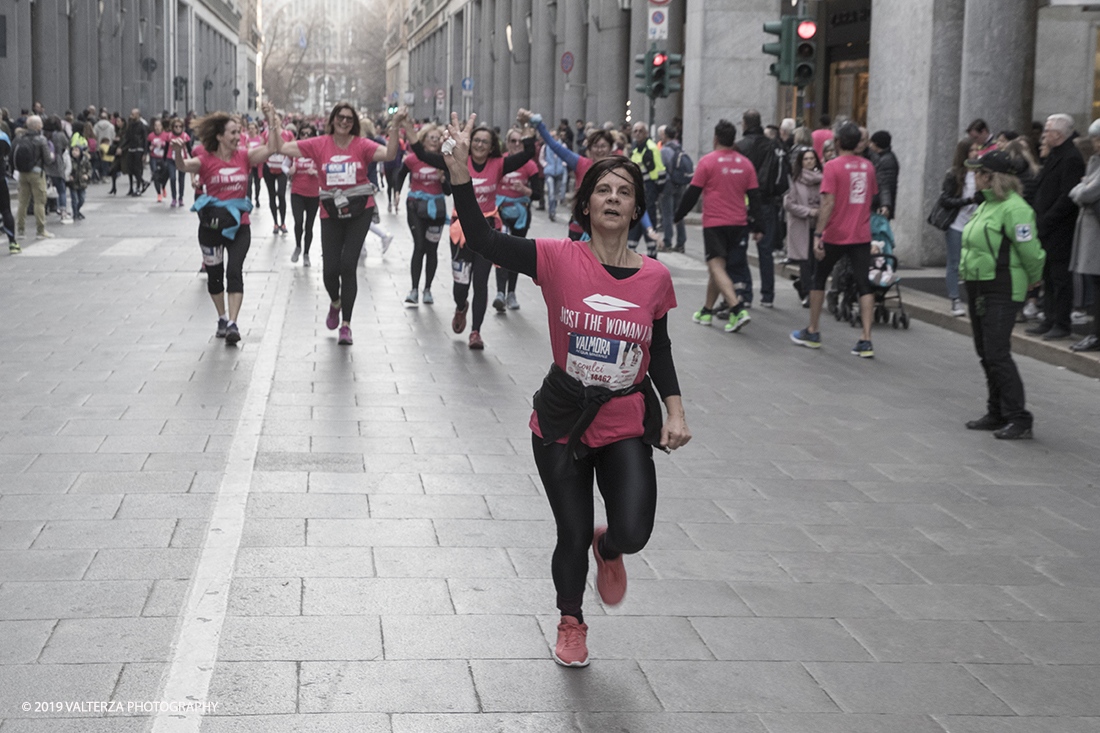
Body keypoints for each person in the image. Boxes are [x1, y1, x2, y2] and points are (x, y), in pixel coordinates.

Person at [440, 111, 690, 667]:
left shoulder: (655, 278)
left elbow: (662, 349)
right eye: (601, 189)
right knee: (570, 532)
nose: (612, 198)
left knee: (633, 529)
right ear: (585, 204)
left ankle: (611, 548)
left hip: (625, 419)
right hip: (561, 418)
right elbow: (481, 236)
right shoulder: (555, 258)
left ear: (636, 208)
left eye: (624, 191)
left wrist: (674, 411)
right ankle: (571, 620)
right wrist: (459, 174)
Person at [273, 103, 409, 346]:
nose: (345, 122)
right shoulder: (319, 144)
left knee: (348, 266)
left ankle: (346, 325)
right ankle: (335, 302)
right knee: (329, 271)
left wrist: (396, 126)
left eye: (349, 118)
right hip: (331, 212)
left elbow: (389, 154)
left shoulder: (362, 144)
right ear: (332, 120)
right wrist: (272, 121)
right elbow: (281, 147)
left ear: (354, 122)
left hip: (360, 210)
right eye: (340, 117)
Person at [407, 110, 536, 349]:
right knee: (461, 287)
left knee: (480, 283)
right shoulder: (457, 161)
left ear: (491, 148)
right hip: (460, 231)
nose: (479, 144)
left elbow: (528, 154)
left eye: (485, 142)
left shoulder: (499, 164)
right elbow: (423, 154)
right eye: (476, 140)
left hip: (488, 231)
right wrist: (407, 126)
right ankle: (460, 306)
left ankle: (476, 332)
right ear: (469, 142)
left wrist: (527, 127)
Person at [170, 102, 281, 345]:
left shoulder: (245, 157)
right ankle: (221, 317)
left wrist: (271, 118)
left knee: (234, 272)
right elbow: (182, 166)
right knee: (215, 276)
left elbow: (273, 148)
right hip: (211, 227)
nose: (238, 137)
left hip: (239, 225)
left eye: (239, 132)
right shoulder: (205, 159)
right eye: (233, 133)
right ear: (220, 136)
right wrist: (178, 150)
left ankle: (233, 322)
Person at [959, 150, 1046, 439]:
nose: (973, 176)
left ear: (990, 176)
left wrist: (1035, 279)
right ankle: (996, 412)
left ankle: (1019, 418)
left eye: (978, 172)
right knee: (985, 352)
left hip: (1003, 286)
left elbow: (1030, 250)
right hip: (979, 285)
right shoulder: (986, 204)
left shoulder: (1015, 208)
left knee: (997, 353)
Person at [791, 122, 880, 358]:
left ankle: (813, 331)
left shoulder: (832, 166)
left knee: (819, 278)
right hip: (860, 234)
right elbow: (870, 198)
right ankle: (866, 338)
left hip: (836, 233)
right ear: (858, 143)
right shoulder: (868, 167)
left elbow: (828, 203)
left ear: (838, 142)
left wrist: (819, 234)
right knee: (864, 284)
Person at [674, 119, 763, 333]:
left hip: (715, 223)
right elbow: (755, 197)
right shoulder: (745, 164)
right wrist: (759, 227)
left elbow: (692, 193)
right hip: (739, 224)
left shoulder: (707, 162)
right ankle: (706, 310)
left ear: (715, 138)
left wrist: (678, 215)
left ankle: (737, 309)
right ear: (734, 140)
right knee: (720, 268)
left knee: (715, 266)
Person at [1025, 114, 1086, 341]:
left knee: (1060, 279)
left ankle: (1061, 322)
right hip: (1046, 227)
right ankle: (1048, 318)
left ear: (1058, 134)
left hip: (1059, 230)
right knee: (1048, 276)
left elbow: (1066, 198)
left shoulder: (1071, 158)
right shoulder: (1055, 155)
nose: (1044, 135)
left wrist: (1046, 220)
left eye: (1047, 131)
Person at [737, 109, 786, 307]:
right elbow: (781, 175)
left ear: (745, 124)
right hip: (766, 202)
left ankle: (744, 293)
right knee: (765, 251)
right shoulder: (772, 146)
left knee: (738, 251)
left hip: (743, 203)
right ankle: (767, 295)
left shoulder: (740, 146)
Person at [397, 124, 446, 304]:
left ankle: (428, 290)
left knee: (431, 249)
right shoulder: (413, 159)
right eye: (431, 137)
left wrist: (443, 178)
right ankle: (414, 290)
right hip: (415, 206)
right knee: (419, 245)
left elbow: (449, 191)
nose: (434, 141)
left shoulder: (444, 160)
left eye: (437, 138)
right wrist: (396, 193)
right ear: (423, 140)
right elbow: (401, 175)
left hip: (437, 209)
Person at [494, 127, 539, 311]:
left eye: (520, 141)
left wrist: (525, 190)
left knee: (517, 253)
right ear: (507, 142)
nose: (517, 145)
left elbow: (537, 194)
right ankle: (500, 293)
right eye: (513, 141)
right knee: (501, 252)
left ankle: (511, 293)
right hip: (501, 213)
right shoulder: (500, 162)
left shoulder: (530, 165)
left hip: (521, 214)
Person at [937, 140, 982, 317]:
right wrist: (968, 201)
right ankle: (955, 299)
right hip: (957, 224)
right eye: (972, 150)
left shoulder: (982, 172)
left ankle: (975, 299)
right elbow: (945, 200)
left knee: (975, 262)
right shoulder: (954, 174)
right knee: (954, 262)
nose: (975, 153)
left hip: (976, 225)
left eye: (977, 149)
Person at [1068, 119, 1100, 352]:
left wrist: (1081, 189)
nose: (1095, 144)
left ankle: (1096, 334)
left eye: (1097, 139)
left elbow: (1087, 192)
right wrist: (1082, 189)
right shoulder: (1095, 161)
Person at [784, 146, 823, 306]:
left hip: (819, 225)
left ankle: (805, 286)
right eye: (806, 159)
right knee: (806, 261)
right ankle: (808, 293)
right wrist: (808, 211)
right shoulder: (796, 180)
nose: (809, 161)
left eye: (812, 158)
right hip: (802, 225)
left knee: (817, 261)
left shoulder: (824, 178)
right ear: (801, 161)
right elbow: (789, 204)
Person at [14, 116, 55, 241]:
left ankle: (20, 231)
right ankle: (40, 231)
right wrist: (52, 156)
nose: (42, 126)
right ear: (37, 126)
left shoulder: (21, 138)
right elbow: (48, 160)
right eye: (41, 124)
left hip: (22, 174)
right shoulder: (41, 139)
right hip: (37, 174)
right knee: (39, 202)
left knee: (22, 202)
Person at [288, 123, 320, 266]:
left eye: (309, 134)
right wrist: (289, 170)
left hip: (313, 194)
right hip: (297, 192)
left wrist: (317, 173)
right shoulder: (294, 150)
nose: (306, 137)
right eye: (303, 134)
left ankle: (306, 253)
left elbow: (326, 170)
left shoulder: (318, 152)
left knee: (309, 226)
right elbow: (284, 165)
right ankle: (298, 247)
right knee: (298, 222)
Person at [629, 122, 666, 232]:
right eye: (635, 131)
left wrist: (659, 189)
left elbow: (659, 169)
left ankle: (652, 236)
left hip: (650, 184)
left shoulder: (651, 147)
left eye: (641, 131)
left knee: (650, 210)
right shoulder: (635, 147)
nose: (638, 133)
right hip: (637, 184)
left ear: (646, 133)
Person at [658, 126, 688, 253]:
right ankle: (681, 243)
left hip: (668, 183)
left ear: (665, 136)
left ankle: (667, 242)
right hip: (680, 184)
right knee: (678, 213)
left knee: (667, 214)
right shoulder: (680, 148)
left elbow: (661, 168)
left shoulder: (664, 150)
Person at [262, 118, 294, 234]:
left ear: (281, 121)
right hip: (269, 167)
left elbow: (294, 148)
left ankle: (283, 222)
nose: (274, 122)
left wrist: (293, 165)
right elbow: (261, 149)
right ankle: (275, 222)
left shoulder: (288, 134)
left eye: (276, 120)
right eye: (272, 120)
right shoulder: (265, 133)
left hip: (282, 168)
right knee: (271, 195)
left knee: (281, 194)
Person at [43, 116, 72, 223]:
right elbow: (66, 144)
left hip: (44, 164)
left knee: (43, 189)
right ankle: (63, 211)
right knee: (61, 189)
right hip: (57, 164)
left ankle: (43, 210)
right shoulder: (60, 135)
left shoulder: (43, 135)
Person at [868, 130, 898, 219]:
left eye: (871, 143)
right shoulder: (883, 157)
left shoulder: (886, 160)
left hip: (880, 206)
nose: (869, 145)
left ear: (876, 144)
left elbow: (885, 185)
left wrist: (882, 205)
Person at [541, 129, 568, 223]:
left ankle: (553, 210)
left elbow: (567, 156)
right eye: (550, 136)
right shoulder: (545, 146)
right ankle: (551, 211)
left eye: (554, 136)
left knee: (556, 194)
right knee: (551, 192)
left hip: (559, 172)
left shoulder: (563, 146)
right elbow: (541, 158)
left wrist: (563, 164)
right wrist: (545, 165)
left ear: (557, 137)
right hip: (549, 172)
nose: (552, 138)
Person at [121, 109, 148, 196]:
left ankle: (138, 187)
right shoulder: (131, 125)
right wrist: (121, 147)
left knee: (137, 168)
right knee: (130, 169)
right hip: (131, 148)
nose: (131, 116)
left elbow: (145, 139)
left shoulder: (142, 125)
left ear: (137, 115)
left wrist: (145, 152)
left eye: (133, 114)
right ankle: (139, 184)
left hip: (138, 149)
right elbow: (127, 137)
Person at [167, 117, 193, 207]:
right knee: (173, 178)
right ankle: (174, 198)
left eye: (180, 126)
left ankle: (180, 198)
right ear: (172, 127)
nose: (178, 128)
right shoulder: (169, 136)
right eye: (176, 126)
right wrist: (163, 161)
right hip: (171, 159)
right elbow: (166, 148)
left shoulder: (185, 136)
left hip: (182, 159)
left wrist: (193, 158)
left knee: (181, 179)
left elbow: (189, 150)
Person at [0, 128, 18, 251]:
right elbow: (8, 155)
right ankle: (12, 243)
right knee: (6, 210)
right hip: (1, 179)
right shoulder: (3, 137)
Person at [147, 118, 172, 203]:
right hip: (153, 157)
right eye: (155, 126)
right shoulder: (150, 136)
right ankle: (159, 194)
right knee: (155, 175)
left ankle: (163, 186)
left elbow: (169, 147)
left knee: (166, 173)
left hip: (163, 158)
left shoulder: (166, 135)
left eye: (159, 125)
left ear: (162, 127)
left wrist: (162, 146)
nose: (157, 127)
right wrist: (149, 148)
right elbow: (147, 146)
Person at [67, 145, 92, 220]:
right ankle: (75, 213)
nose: (74, 152)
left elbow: (90, 169)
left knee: (82, 199)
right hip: (73, 183)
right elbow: (66, 169)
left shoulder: (84, 159)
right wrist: (69, 176)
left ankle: (77, 211)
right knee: (74, 199)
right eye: (73, 150)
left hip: (82, 182)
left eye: (76, 150)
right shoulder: (69, 160)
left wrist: (87, 175)